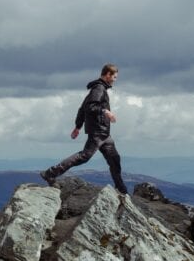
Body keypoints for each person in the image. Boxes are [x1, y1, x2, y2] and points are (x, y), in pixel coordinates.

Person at [40, 64, 128, 194]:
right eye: (114, 77)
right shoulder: (99, 88)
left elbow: (82, 109)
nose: (115, 79)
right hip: (98, 132)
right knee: (84, 156)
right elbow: (90, 107)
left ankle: (121, 189)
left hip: (105, 134)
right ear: (108, 74)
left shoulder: (98, 88)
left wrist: (77, 127)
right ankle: (50, 173)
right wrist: (105, 111)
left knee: (114, 159)